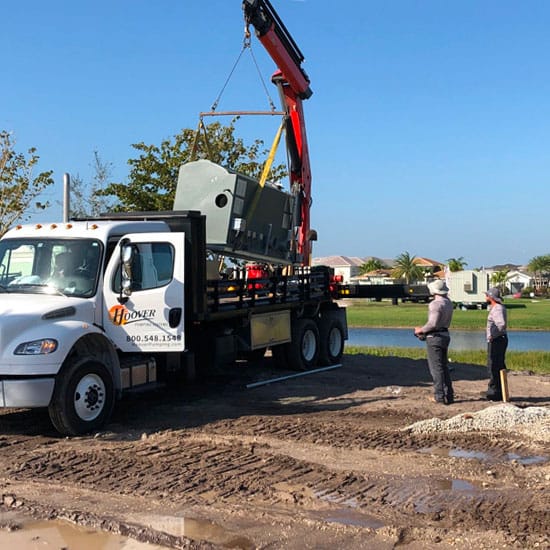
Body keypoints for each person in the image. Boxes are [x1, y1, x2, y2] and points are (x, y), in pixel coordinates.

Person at [414, 279, 454, 405]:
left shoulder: (435, 304)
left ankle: (439, 396)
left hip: (435, 337)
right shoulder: (449, 303)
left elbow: (433, 323)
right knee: (444, 366)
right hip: (445, 335)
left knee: (436, 368)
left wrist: (421, 330)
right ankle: (449, 394)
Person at [484, 287, 508, 401]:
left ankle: (495, 392)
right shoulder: (497, 307)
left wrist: (494, 335)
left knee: (493, 366)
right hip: (499, 339)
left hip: (497, 340)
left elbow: (501, 324)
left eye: (487, 295)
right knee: (498, 365)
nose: (485, 297)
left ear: (491, 297)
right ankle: (499, 390)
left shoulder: (497, 308)